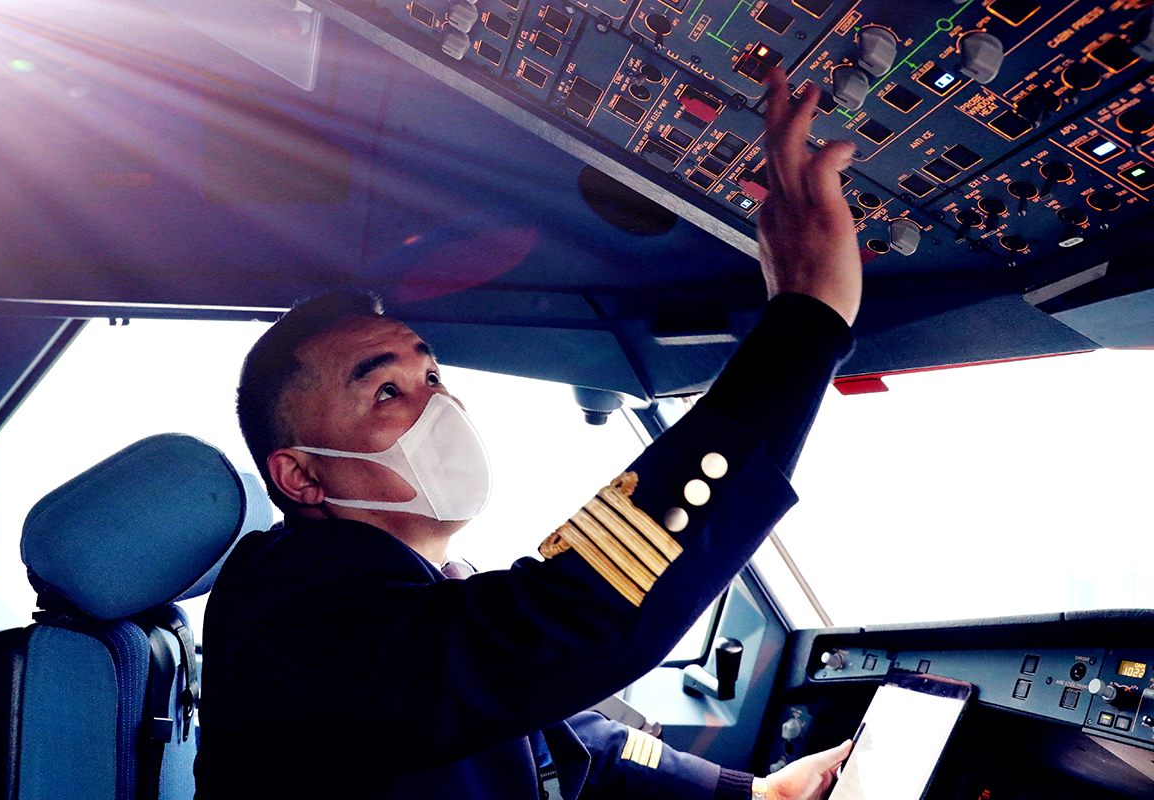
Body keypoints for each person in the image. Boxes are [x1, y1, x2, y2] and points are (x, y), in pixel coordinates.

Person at [195, 68, 862, 800]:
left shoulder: (415, 597)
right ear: (301, 477)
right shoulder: (290, 617)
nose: (438, 404)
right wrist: (807, 320)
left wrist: (758, 794)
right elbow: (568, 623)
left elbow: (568, 743)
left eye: (432, 374)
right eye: (387, 390)